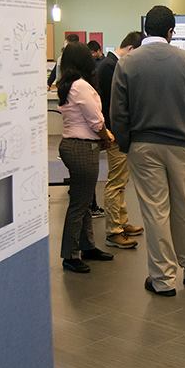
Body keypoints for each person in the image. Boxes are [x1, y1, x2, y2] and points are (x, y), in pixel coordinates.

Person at [110, 5, 185, 296]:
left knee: (155, 211)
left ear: (145, 30)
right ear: (171, 31)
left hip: (143, 146)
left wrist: (127, 144)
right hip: (181, 145)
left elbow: (118, 112)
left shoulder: (127, 63)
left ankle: (163, 279)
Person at [56, 42, 116, 274]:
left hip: (74, 146)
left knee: (84, 199)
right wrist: (107, 136)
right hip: (82, 148)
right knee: (80, 204)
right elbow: (96, 120)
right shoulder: (80, 86)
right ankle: (70, 255)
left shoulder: (68, 84)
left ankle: (87, 246)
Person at [96, 31, 145, 249]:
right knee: (116, 182)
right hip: (116, 134)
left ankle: (122, 222)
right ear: (132, 50)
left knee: (121, 181)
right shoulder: (110, 67)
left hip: (120, 133)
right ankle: (114, 230)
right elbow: (111, 106)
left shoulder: (111, 65)